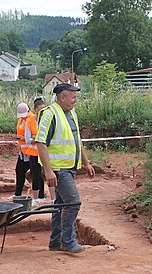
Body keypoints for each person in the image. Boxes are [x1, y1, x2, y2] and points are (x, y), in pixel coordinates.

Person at [35, 84, 95, 253]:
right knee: (73, 202)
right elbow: (41, 143)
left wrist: (86, 162)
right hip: (58, 169)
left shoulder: (71, 113)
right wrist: (48, 171)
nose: (75, 101)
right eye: (73, 97)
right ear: (62, 97)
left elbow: (77, 140)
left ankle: (56, 242)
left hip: (69, 168)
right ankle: (68, 241)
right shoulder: (49, 114)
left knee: (59, 205)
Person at [14, 102, 44, 201]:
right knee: (20, 171)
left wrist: (31, 138)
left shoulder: (32, 119)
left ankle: (40, 196)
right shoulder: (21, 120)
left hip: (32, 151)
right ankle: (17, 194)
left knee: (36, 173)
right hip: (24, 151)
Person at [33, 97, 54, 201]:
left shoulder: (48, 119)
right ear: (35, 110)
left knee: (49, 174)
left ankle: (53, 198)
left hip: (46, 152)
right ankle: (39, 197)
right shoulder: (32, 120)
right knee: (38, 175)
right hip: (34, 153)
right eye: (40, 109)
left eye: (43, 109)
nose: (42, 111)